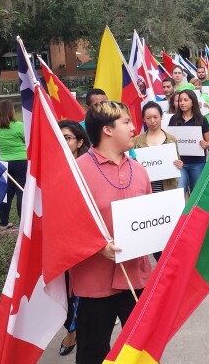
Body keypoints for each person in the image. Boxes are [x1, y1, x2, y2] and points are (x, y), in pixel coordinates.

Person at [71, 101, 152, 364]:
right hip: (95, 283)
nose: (133, 128)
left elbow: (150, 219)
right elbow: (63, 224)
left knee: (142, 352)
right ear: (107, 130)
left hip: (136, 279)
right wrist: (97, 245)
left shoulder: (140, 171)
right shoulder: (77, 171)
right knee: (92, 353)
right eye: (126, 122)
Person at [57, 119, 89, 357]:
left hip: (83, 237)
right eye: (58, 137)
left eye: (66, 137)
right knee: (63, 287)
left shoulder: (88, 167)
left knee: (77, 287)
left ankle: (72, 330)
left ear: (79, 142)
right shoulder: (48, 166)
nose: (61, 141)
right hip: (58, 236)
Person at [133, 102, 183, 193]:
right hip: (144, 189)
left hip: (168, 188)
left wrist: (179, 165)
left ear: (161, 117)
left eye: (155, 117)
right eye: (148, 118)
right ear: (143, 119)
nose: (152, 121)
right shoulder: (136, 141)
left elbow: (177, 161)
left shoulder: (171, 139)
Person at [0, 100, 27, 228]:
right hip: (21, 161)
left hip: (4, 162)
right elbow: (26, 141)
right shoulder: (18, 126)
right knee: (21, 192)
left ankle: (3, 221)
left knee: (7, 193)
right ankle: (23, 221)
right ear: (10, 112)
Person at [169, 89, 209, 196]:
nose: (182, 103)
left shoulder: (201, 119)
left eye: (185, 100)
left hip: (197, 163)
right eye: (180, 100)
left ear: (193, 101)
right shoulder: (174, 119)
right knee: (179, 192)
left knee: (196, 194)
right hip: (179, 164)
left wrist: (206, 144)